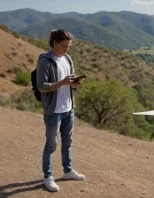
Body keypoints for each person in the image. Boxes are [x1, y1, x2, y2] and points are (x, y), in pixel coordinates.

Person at [36, 29, 85, 192]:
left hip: (68, 108)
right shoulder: (45, 61)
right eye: (64, 46)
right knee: (51, 144)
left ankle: (67, 171)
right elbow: (41, 87)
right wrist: (62, 83)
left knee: (67, 142)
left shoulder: (67, 58)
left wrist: (73, 84)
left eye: (68, 46)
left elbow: (69, 80)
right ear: (55, 43)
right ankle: (48, 177)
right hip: (53, 111)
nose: (66, 49)